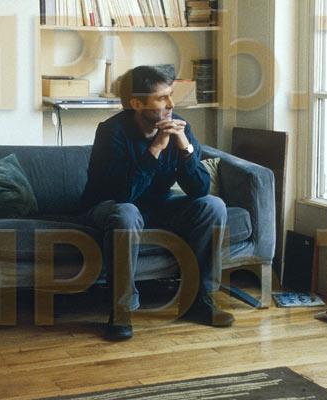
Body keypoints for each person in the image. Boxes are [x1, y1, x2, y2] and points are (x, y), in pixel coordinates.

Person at [80, 65, 234, 341]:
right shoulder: (111, 132)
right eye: (162, 98)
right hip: (109, 207)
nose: (171, 104)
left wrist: (184, 146)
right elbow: (124, 194)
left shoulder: (180, 126)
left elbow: (199, 189)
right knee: (127, 213)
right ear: (137, 103)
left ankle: (198, 299)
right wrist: (156, 147)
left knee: (213, 206)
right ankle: (121, 309)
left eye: (171, 95)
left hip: (158, 207)